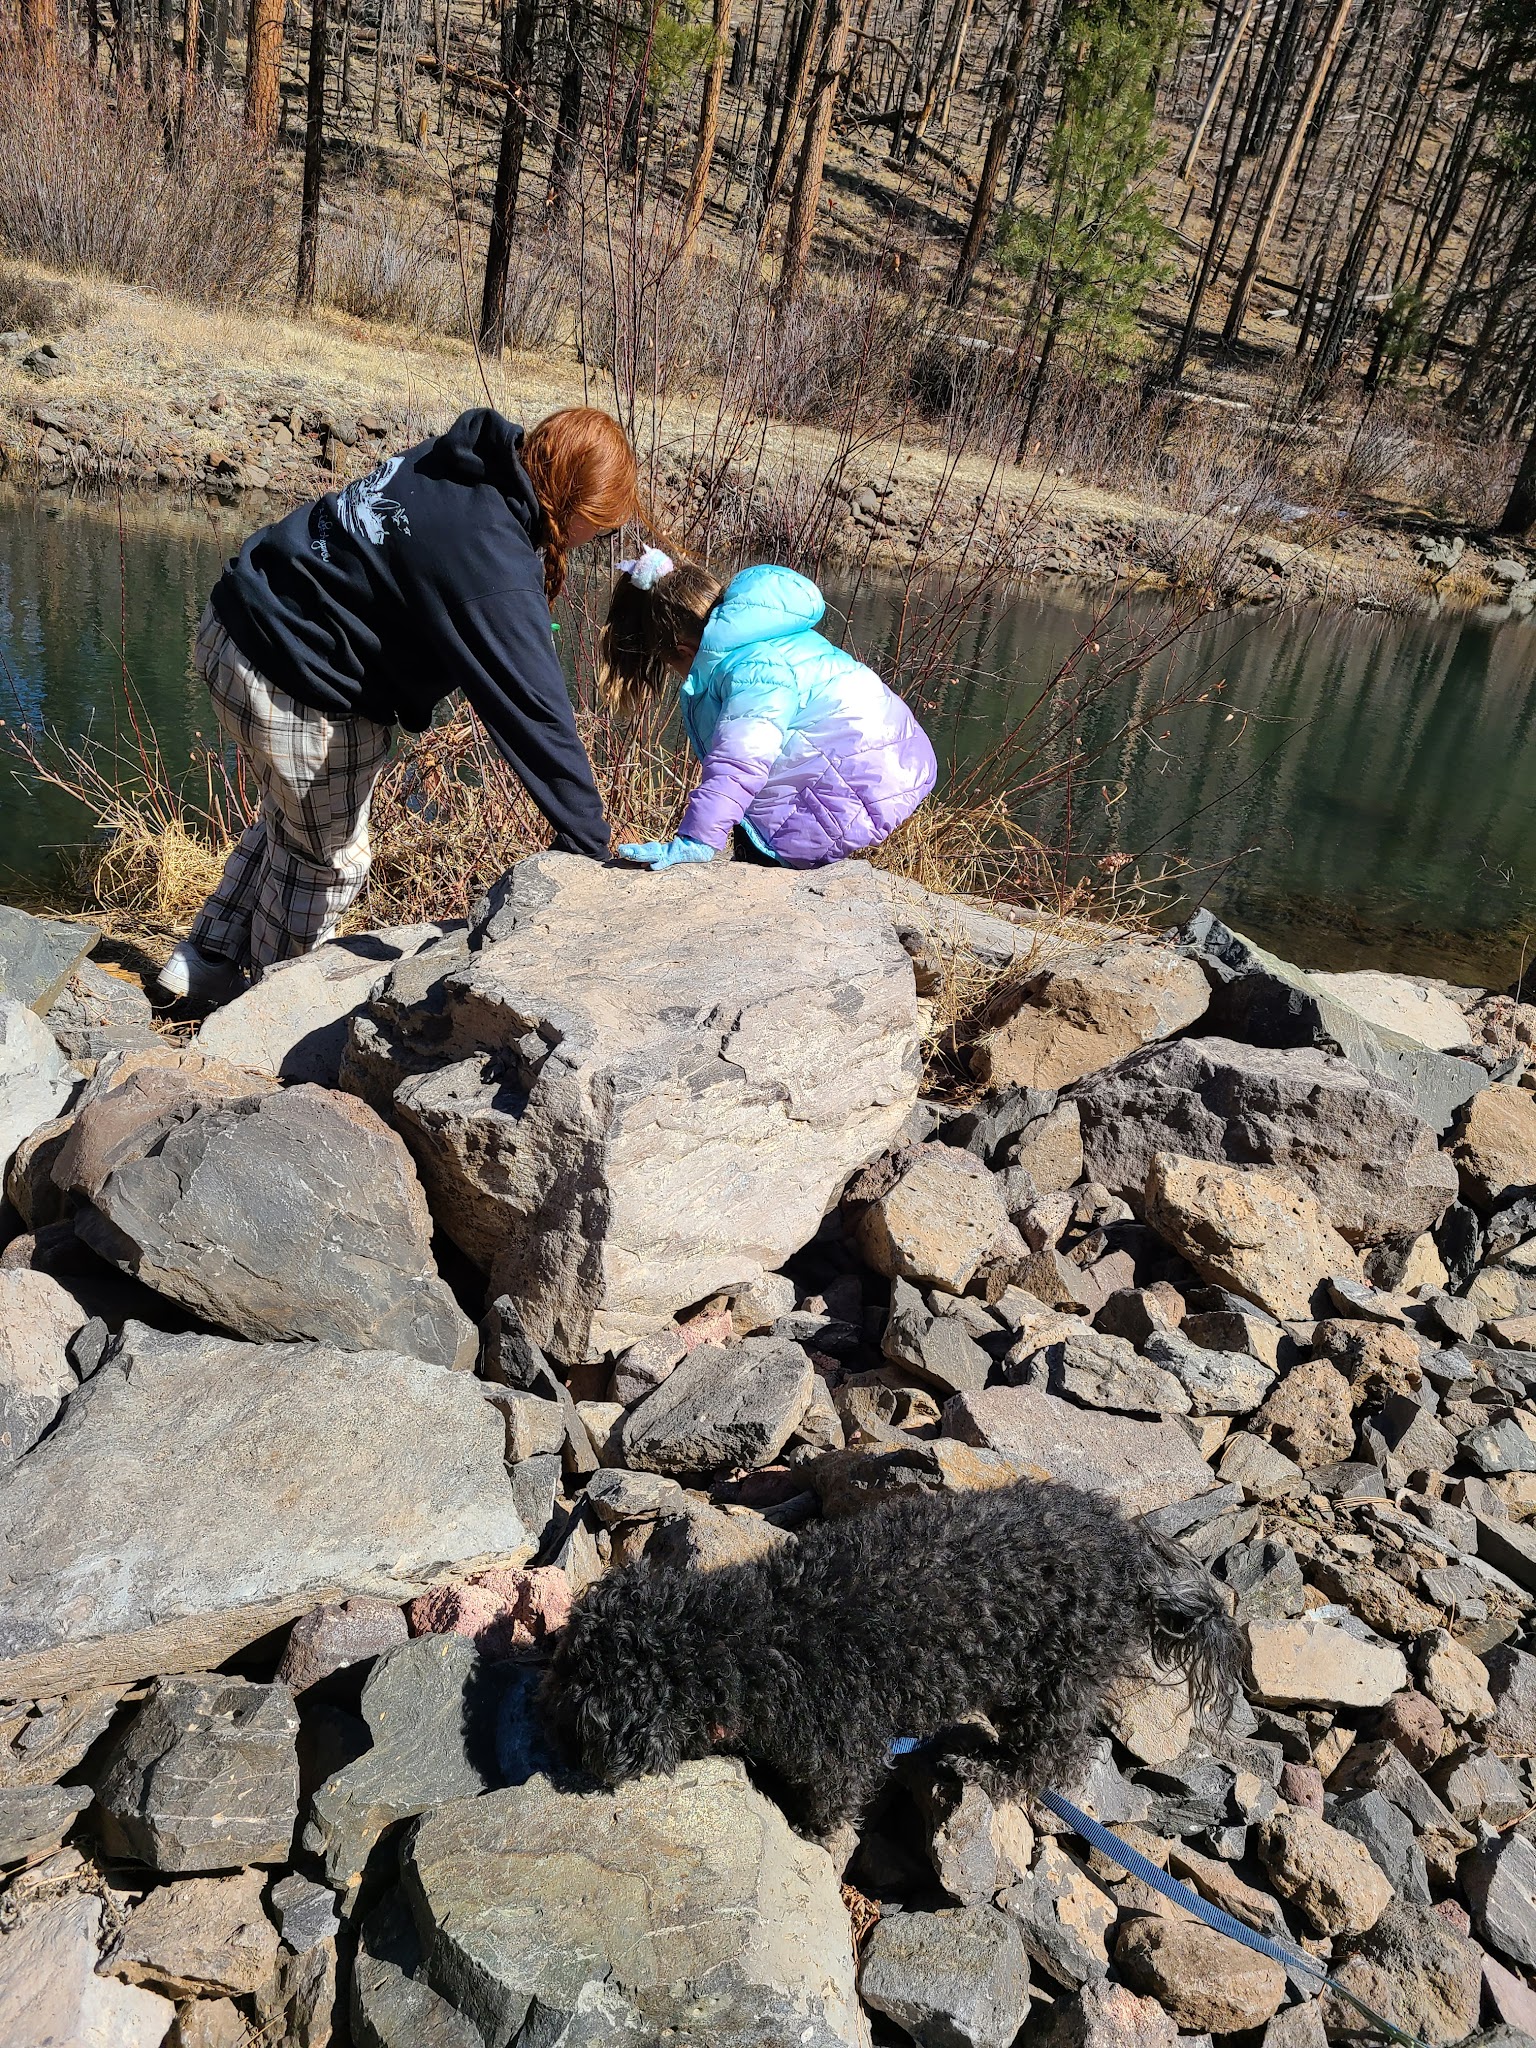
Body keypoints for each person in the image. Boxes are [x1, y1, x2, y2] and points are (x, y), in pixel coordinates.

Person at [157, 406, 641, 1002]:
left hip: (232, 624)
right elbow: (536, 717)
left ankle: (203, 960)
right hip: (293, 677)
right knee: (328, 858)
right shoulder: (490, 555)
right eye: (602, 527)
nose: (599, 541)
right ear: (576, 508)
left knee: (299, 817)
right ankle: (261, 1007)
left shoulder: (474, 462)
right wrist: (593, 849)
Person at [599, 549, 937, 870]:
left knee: (759, 841)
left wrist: (696, 839)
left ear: (685, 651)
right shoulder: (758, 634)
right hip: (886, 757)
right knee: (751, 820)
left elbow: (740, 759)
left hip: (869, 773)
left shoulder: (752, 668)